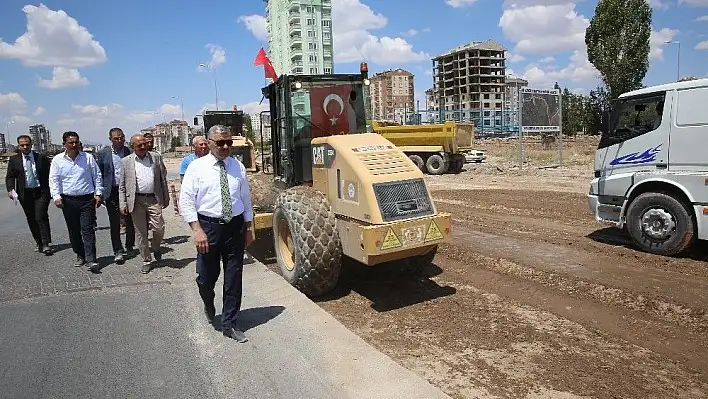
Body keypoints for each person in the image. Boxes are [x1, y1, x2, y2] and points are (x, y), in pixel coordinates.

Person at [179, 124, 254, 343]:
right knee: (206, 277)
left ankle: (229, 323)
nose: (225, 147)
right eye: (220, 142)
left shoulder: (237, 166)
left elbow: (245, 198)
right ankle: (208, 300)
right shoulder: (197, 167)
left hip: (235, 227)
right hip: (208, 229)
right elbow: (186, 201)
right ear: (209, 143)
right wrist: (197, 230)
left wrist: (249, 227)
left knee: (234, 277)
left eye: (228, 142)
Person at [49, 131, 102, 272]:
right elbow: (54, 180)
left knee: (88, 230)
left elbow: (97, 176)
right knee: (74, 231)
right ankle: (80, 254)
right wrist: (56, 196)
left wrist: (98, 193)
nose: (74, 145)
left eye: (76, 142)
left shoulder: (88, 158)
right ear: (64, 144)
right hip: (68, 200)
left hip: (86, 199)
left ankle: (91, 259)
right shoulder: (57, 160)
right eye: (71, 142)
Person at [119, 134, 169, 274]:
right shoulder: (126, 161)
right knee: (140, 233)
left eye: (144, 144)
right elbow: (122, 185)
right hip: (136, 201)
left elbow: (163, 179)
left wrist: (166, 197)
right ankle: (146, 260)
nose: (142, 147)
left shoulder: (156, 157)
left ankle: (156, 246)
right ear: (132, 146)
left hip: (154, 198)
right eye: (139, 145)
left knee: (159, 227)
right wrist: (123, 203)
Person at [5, 135, 52, 254]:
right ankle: (39, 241)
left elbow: (50, 175)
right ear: (18, 146)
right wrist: (10, 189)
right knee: (31, 218)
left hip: (41, 191)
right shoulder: (14, 160)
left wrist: (52, 191)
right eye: (22, 145)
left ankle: (46, 243)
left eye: (27, 144)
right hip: (24, 193)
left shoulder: (41, 158)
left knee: (40, 216)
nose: (25, 147)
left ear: (31, 145)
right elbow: (10, 177)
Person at [97, 127, 135, 263]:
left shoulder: (129, 152)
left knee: (130, 220)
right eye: (116, 138)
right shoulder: (103, 154)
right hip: (111, 192)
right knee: (114, 223)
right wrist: (99, 193)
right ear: (110, 139)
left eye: (121, 137)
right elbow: (99, 174)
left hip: (128, 191)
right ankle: (118, 250)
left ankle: (130, 246)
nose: (119, 140)